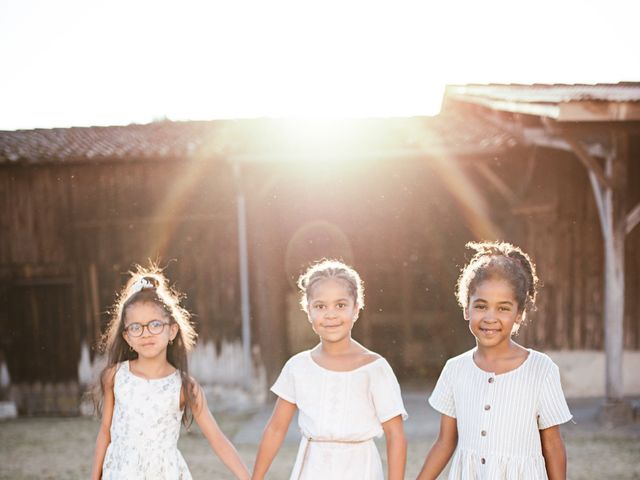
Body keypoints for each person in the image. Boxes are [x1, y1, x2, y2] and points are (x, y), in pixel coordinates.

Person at [417, 241, 572, 480]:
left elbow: (552, 445)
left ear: (519, 314)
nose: (490, 317)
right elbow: (445, 442)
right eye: (481, 306)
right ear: (466, 308)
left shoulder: (541, 370)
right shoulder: (454, 369)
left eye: (503, 308)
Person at [90, 265, 250, 480]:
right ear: (127, 336)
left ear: (172, 330)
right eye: (136, 327)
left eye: (155, 324)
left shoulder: (185, 387)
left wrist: (250, 478)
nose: (146, 333)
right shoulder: (115, 377)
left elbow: (217, 439)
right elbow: (105, 433)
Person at [252, 259, 407, 480]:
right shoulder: (298, 367)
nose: (331, 314)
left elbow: (395, 435)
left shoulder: (375, 368)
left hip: (361, 470)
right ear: (308, 311)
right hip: (312, 470)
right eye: (320, 306)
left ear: (356, 308)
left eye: (341, 305)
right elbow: (276, 429)